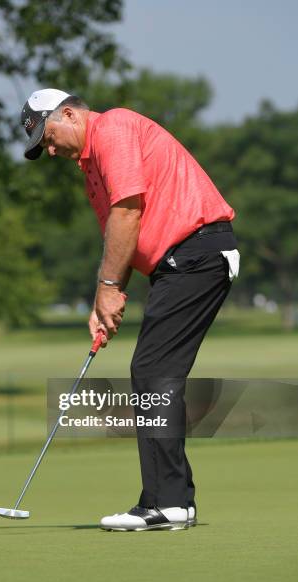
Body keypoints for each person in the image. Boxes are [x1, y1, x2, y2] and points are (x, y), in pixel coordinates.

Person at [20, 88, 240, 531]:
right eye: (43, 144)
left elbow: (128, 211)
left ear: (69, 114)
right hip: (176, 265)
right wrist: (106, 302)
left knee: (154, 369)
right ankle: (166, 499)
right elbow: (119, 240)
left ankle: (171, 503)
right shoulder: (91, 172)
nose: (50, 147)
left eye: (48, 136)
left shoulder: (114, 127)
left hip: (196, 253)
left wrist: (105, 289)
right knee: (151, 370)